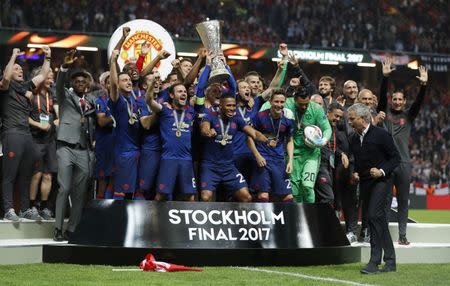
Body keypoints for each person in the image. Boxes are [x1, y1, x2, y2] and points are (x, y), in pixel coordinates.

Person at [378, 59, 428, 245]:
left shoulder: (408, 115)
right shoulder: (385, 112)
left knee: (403, 200)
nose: (397, 102)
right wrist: (385, 77)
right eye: (395, 99)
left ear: (404, 102)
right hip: (387, 163)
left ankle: (402, 235)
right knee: (385, 201)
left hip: (404, 163)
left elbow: (420, 102)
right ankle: (383, 235)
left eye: (400, 99)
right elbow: (382, 96)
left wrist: (423, 85)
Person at [348, 103, 400, 274]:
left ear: (362, 119)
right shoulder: (354, 138)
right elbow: (358, 161)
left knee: (373, 215)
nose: (349, 122)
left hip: (382, 181)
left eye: (352, 119)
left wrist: (381, 171)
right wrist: (355, 172)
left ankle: (374, 261)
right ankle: (390, 261)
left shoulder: (381, 134)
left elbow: (395, 158)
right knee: (375, 219)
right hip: (365, 182)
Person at [1, 46, 51, 221]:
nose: (20, 70)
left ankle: (23, 209)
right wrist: (14, 55)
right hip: (12, 133)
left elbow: (43, 75)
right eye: (16, 68)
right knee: (10, 174)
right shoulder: (5, 87)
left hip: (27, 135)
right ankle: (8, 209)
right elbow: (6, 76)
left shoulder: (25, 87)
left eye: (21, 68)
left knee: (26, 175)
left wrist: (48, 56)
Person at [54, 50, 96, 241]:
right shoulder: (65, 97)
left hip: (84, 149)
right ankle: (58, 229)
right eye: (77, 81)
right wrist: (64, 67)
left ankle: (72, 230)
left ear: (87, 85)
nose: (80, 83)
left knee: (80, 193)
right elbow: (59, 83)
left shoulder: (91, 101)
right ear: (72, 84)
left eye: (83, 81)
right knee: (64, 188)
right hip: (66, 147)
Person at [200, 93, 268, 202]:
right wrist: (208, 132)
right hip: (210, 166)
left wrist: (266, 140)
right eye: (228, 106)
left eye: (233, 105)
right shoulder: (210, 116)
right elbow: (204, 128)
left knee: (246, 197)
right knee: (205, 197)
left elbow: (254, 133)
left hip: (229, 167)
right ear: (220, 106)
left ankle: (239, 218)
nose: (232, 108)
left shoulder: (237, 119)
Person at [247, 89, 294, 202]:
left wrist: (290, 161)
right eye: (276, 101)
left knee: (288, 197)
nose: (279, 105)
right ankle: (263, 220)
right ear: (270, 102)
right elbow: (249, 137)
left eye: (282, 102)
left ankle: (287, 220)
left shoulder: (287, 121)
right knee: (263, 195)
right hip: (263, 159)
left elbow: (290, 141)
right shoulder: (259, 116)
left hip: (278, 160)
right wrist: (257, 156)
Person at [285, 91, 332, 203]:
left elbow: (327, 128)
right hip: (292, 154)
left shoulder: (316, 109)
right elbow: (267, 106)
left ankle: (310, 216)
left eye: (306, 103)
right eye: (301, 104)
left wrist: (323, 140)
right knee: (295, 191)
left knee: (307, 186)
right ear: (294, 99)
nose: (304, 107)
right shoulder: (286, 104)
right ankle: (298, 217)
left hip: (311, 154)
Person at [28, 67, 59, 220]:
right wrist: (38, 125)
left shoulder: (53, 94)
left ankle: (45, 207)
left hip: (50, 140)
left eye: (52, 77)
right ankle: (32, 205)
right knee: (37, 174)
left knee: (48, 175)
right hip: (35, 139)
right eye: (48, 76)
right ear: (39, 77)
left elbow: (58, 112)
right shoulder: (31, 94)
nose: (51, 80)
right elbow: (23, 117)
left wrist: (59, 118)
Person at [314, 103, 348, 205]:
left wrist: (342, 153)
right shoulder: (318, 127)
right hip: (319, 164)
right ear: (328, 113)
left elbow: (332, 147)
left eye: (340, 117)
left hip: (329, 166)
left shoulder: (334, 128)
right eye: (336, 116)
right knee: (328, 197)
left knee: (323, 198)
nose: (337, 119)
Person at [93, 71, 115, 199]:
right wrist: (115, 116)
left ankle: (111, 209)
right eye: (109, 83)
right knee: (103, 179)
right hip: (105, 144)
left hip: (119, 144)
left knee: (115, 179)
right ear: (104, 85)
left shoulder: (124, 101)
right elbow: (101, 121)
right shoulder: (100, 100)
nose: (112, 85)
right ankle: (100, 210)